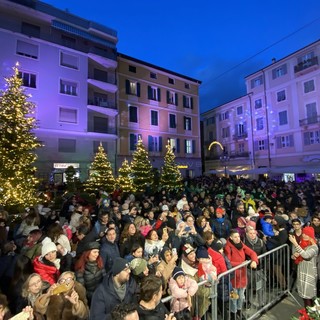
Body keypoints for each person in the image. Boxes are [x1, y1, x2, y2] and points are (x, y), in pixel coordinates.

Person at [224, 229, 258, 320]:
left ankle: (239, 311)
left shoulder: (241, 244)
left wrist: (254, 260)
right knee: (234, 298)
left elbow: (252, 252)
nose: (238, 238)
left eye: (238, 236)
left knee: (241, 296)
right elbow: (229, 262)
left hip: (242, 276)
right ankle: (233, 314)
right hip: (233, 277)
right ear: (231, 237)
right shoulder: (228, 247)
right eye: (235, 237)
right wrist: (242, 264)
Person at [289, 226, 318, 307]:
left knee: (308, 296)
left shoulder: (314, 247)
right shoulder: (303, 244)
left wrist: (295, 243)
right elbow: (298, 254)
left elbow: (306, 255)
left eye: (306, 234)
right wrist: (294, 255)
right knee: (304, 297)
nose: (304, 235)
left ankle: (310, 315)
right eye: (303, 233)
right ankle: (307, 313)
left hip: (309, 273)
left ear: (311, 236)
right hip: (302, 272)